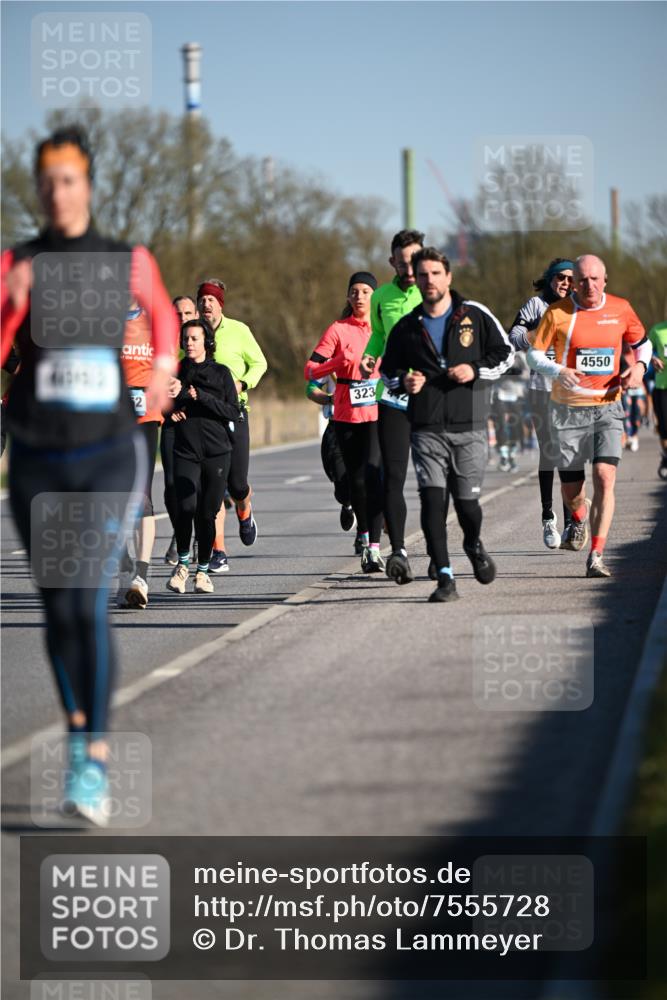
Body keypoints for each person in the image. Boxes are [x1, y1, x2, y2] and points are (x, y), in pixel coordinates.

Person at [0, 126, 177, 824]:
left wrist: (163, 370)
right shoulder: (18, 261)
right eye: (46, 179)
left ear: (87, 186)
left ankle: (91, 758)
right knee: (58, 607)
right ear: (37, 187)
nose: (56, 190)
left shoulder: (121, 258)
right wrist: (13, 303)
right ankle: (79, 731)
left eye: (69, 178)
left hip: (107, 450)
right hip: (39, 452)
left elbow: (162, 315)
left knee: (86, 600)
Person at [381, 248, 514, 602]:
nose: (429, 281)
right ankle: (445, 577)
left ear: (448, 277)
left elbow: (506, 354)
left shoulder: (475, 314)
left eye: (435, 274)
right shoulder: (407, 326)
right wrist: (403, 383)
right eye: (422, 275)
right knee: (432, 501)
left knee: (467, 505)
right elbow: (388, 371)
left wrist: (475, 370)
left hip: (468, 424)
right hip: (425, 427)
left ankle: (473, 544)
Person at [527, 254, 651, 578]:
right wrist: (558, 370)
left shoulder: (621, 309)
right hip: (567, 411)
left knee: (605, 477)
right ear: (573, 284)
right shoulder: (557, 312)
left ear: (605, 280)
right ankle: (578, 519)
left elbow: (643, 344)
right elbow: (533, 355)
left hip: (608, 406)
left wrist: (639, 367)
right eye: (582, 280)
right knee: (573, 492)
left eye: (595, 279)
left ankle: (596, 554)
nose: (589, 285)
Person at [304, 273, 384, 572]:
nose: (360, 296)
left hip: (377, 413)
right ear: (348, 297)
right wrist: (337, 363)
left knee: (374, 478)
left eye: (366, 291)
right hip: (345, 416)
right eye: (354, 291)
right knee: (356, 482)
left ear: (375, 296)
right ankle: (364, 536)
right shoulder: (337, 330)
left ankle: (374, 549)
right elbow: (310, 370)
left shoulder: (385, 327)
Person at [359, 229, 425, 584]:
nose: (410, 268)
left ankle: (437, 546)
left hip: (430, 398)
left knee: (434, 478)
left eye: (414, 260)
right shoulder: (381, 296)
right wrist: (370, 357)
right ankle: (397, 551)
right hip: (393, 395)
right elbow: (379, 335)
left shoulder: (433, 292)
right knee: (392, 477)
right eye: (402, 262)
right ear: (392, 263)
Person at [196, 279, 267, 573]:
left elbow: (260, 363)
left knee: (237, 483)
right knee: (211, 486)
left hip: (234, 412)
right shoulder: (191, 334)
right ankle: (219, 551)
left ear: (220, 304)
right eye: (202, 299)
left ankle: (244, 508)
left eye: (211, 300)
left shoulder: (239, 331)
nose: (206, 304)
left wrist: (243, 383)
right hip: (202, 418)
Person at [165, 317, 240, 594]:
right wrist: (168, 411)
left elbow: (233, 411)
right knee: (184, 507)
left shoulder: (221, 373)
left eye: (194, 338)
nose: (189, 343)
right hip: (185, 449)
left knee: (207, 514)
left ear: (207, 342)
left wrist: (199, 397)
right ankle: (183, 565)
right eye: (185, 339)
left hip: (217, 452)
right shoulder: (176, 370)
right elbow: (162, 399)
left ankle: (203, 572)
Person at [509, 259, 576, 548]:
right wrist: (537, 334)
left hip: (571, 391)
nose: (566, 283)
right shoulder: (536, 305)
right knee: (549, 454)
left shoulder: (579, 308)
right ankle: (549, 516)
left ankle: (572, 520)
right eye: (561, 277)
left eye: (572, 279)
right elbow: (512, 337)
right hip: (540, 390)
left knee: (570, 456)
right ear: (550, 279)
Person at [117, 299, 167, 608]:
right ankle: (124, 567)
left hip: (146, 418)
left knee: (142, 496)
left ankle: (142, 575)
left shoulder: (156, 325)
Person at [163, 295, 199, 566]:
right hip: (169, 421)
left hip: (198, 425)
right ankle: (180, 532)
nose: (183, 319)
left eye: (188, 313)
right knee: (171, 484)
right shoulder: (161, 342)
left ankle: (197, 537)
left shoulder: (200, 341)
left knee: (195, 486)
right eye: (178, 314)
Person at [305, 372, 356, 539]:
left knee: (366, 480)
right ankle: (347, 503)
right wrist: (329, 399)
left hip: (368, 423)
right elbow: (311, 388)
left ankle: (365, 538)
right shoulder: (331, 359)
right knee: (341, 481)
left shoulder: (373, 352)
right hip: (338, 424)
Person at [647, 318, 667, 478]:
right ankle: (666, 457)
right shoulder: (658, 330)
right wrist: (653, 358)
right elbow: (644, 349)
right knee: (664, 428)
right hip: (662, 387)